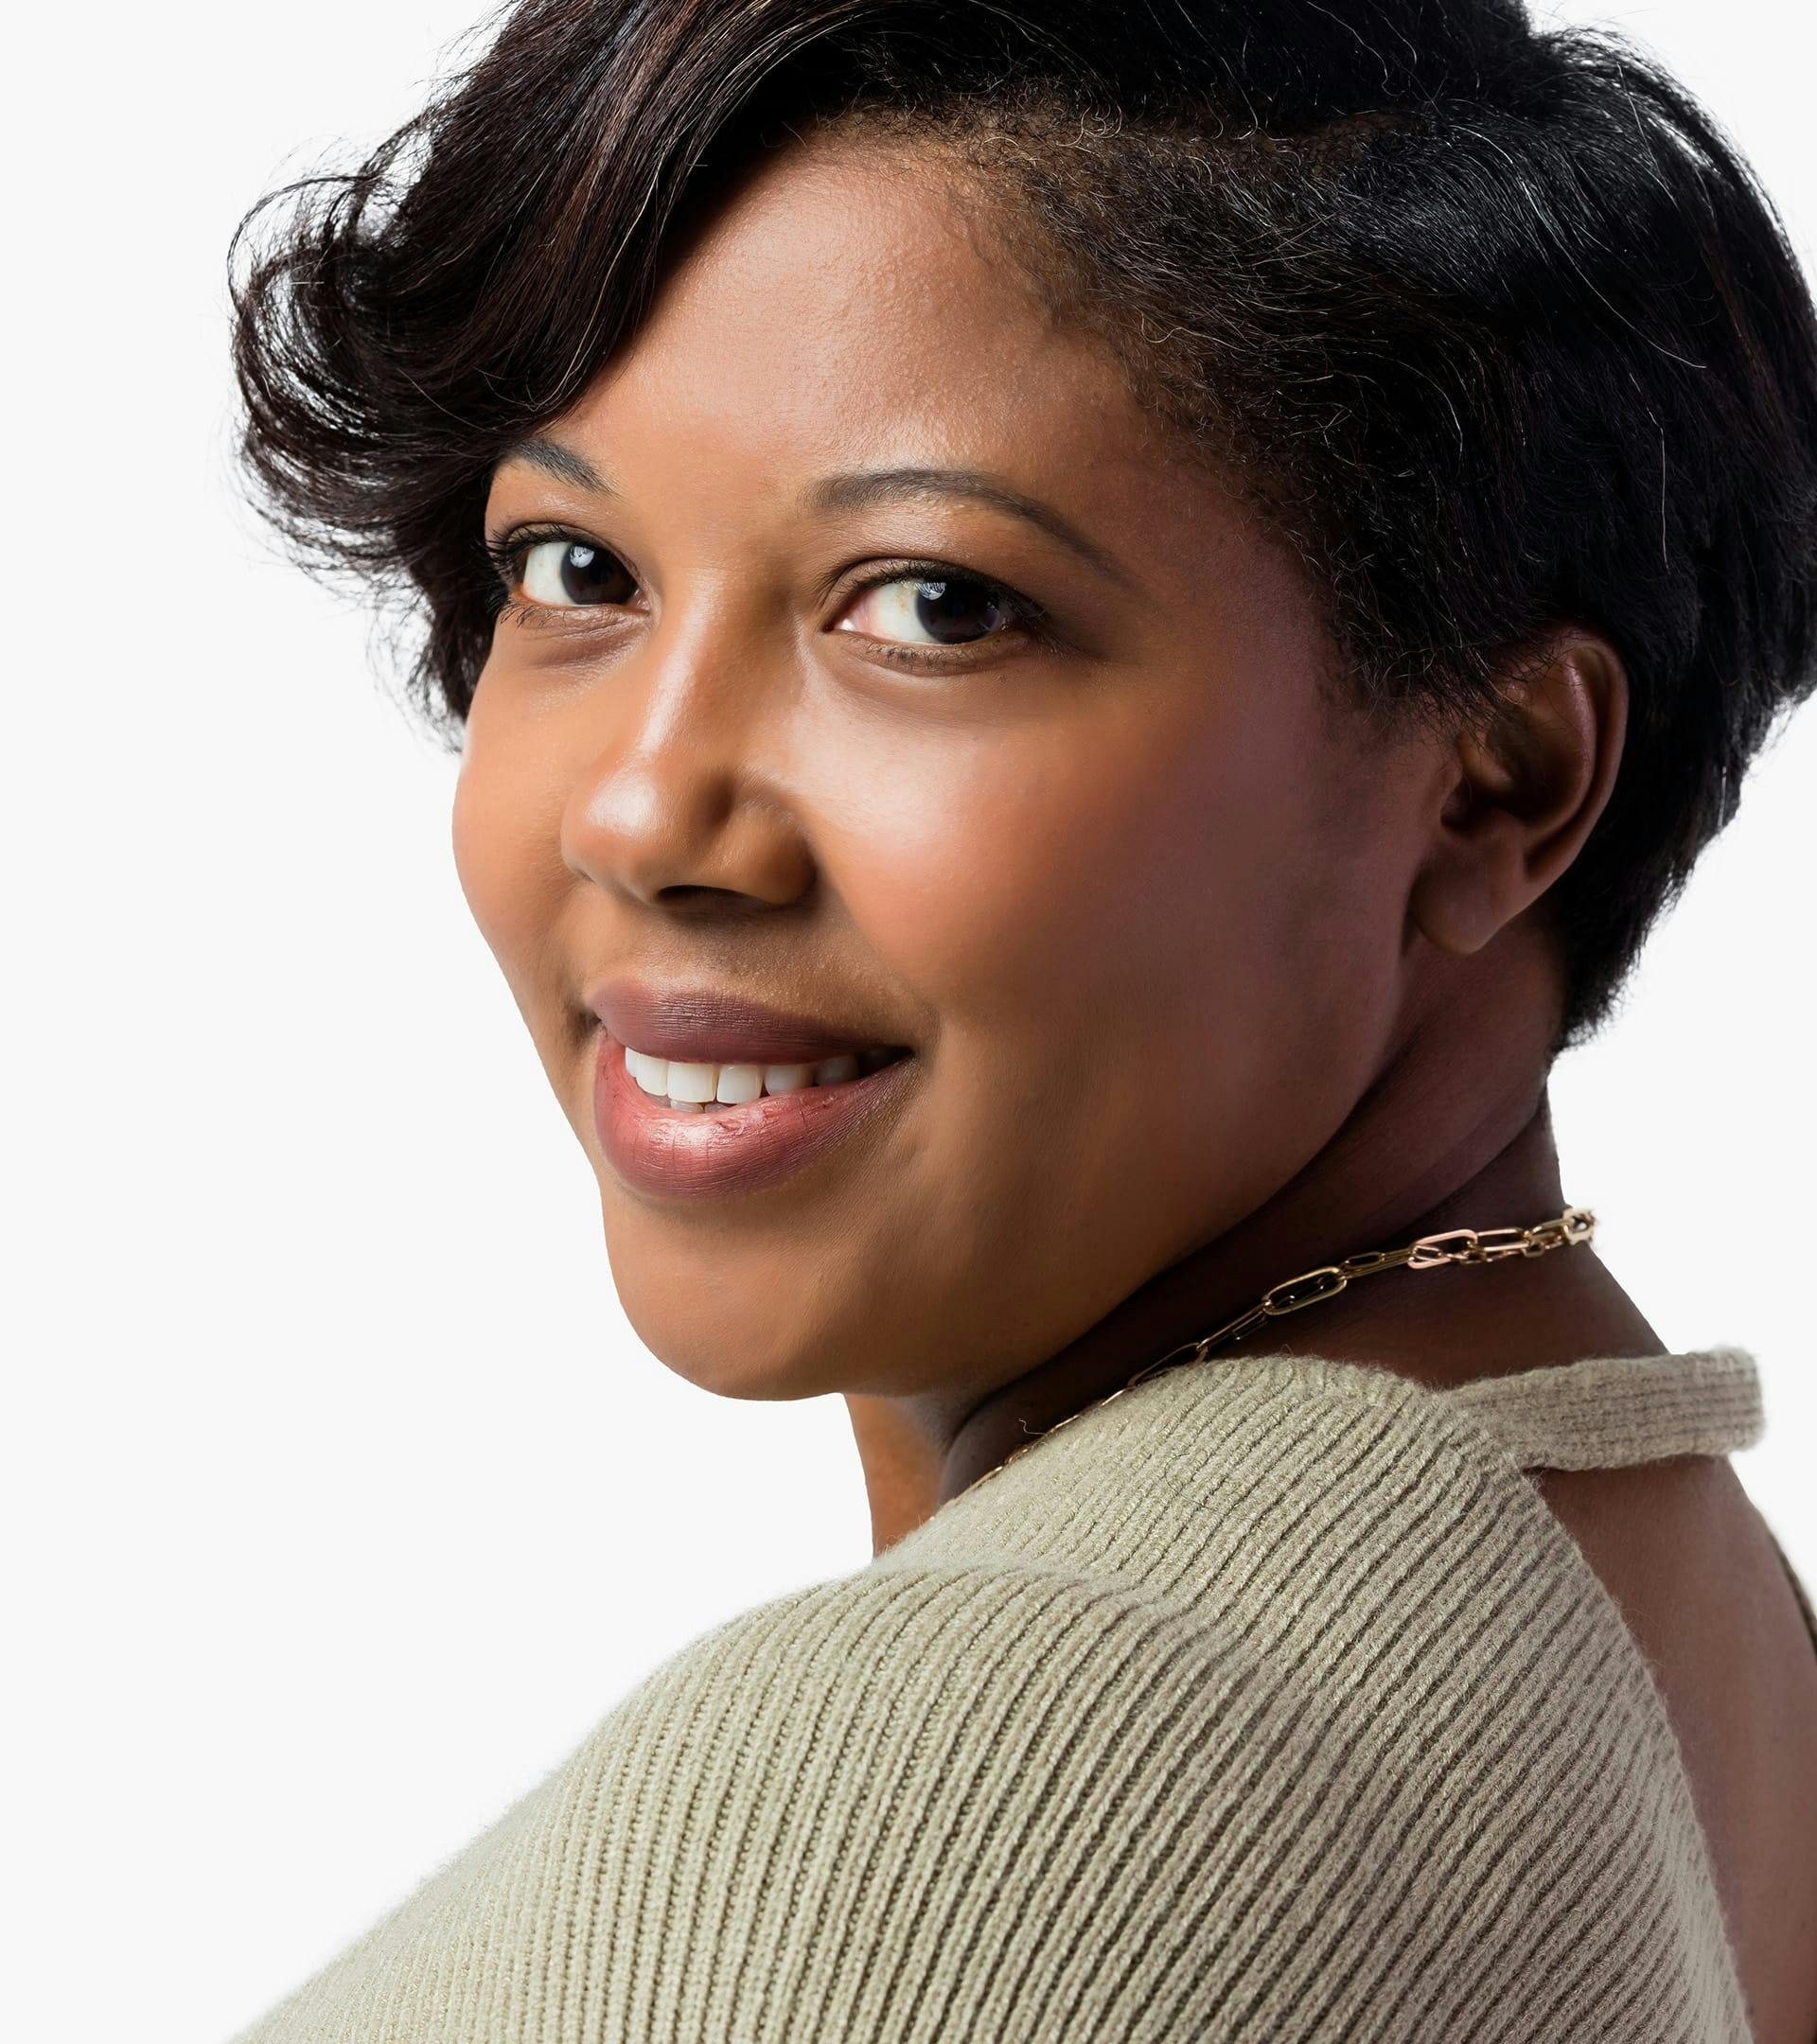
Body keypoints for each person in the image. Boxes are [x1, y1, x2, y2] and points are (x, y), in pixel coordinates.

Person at [223, 1, 1817, 2036]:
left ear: (1497, 779)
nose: (643, 808)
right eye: (574, 568)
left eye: (936, 606)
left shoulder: (1023, 1784)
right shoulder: (1662, 1558)